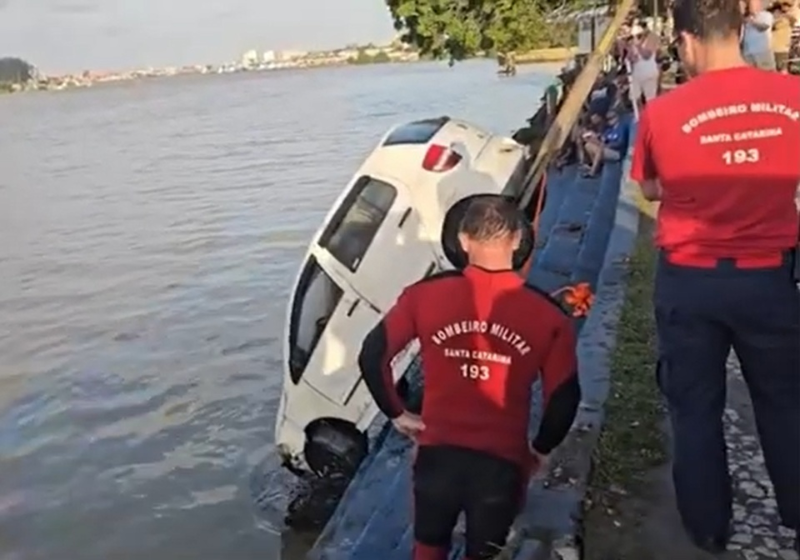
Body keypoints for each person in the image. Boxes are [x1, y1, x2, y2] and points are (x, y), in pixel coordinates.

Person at [631, 0, 800, 553]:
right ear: (738, 29)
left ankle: (707, 527)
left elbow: (651, 188)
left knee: (695, 407)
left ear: (684, 39)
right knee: (783, 402)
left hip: (690, 280)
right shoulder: (793, 99)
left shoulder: (661, 112)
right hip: (771, 278)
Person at [358, 196, 581, 560]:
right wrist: (539, 449)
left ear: (462, 241)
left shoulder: (423, 295)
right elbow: (564, 397)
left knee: (427, 549)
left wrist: (398, 414)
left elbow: (372, 356)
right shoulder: (549, 315)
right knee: (485, 553)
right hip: (503, 466)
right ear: (517, 241)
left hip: (436, 461)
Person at [581, 109, 630, 178]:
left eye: (611, 118)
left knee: (600, 149)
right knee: (588, 145)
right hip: (606, 148)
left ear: (617, 117)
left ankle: (593, 172)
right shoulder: (609, 129)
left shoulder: (621, 128)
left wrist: (607, 146)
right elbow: (603, 138)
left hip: (617, 152)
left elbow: (620, 143)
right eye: (608, 119)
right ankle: (596, 165)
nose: (610, 121)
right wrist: (595, 137)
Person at [626, 22, 661, 112]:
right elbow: (631, 58)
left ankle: (651, 116)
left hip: (649, 72)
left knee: (650, 99)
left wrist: (638, 46)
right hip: (637, 73)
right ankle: (640, 115)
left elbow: (647, 55)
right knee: (634, 97)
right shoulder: (633, 41)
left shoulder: (653, 37)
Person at [742, 0, 777, 68]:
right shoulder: (743, 18)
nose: (752, 6)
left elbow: (764, 27)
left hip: (763, 52)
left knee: (767, 76)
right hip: (748, 53)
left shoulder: (766, 15)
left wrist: (752, 22)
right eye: (750, 4)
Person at [771, 0, 797, 72]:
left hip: (782, 48)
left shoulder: (790, 17)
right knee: (774, 71)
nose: (785, 7)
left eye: (788, 5)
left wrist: (785, 14)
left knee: (783, 70)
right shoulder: (774, 16)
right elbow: (771, 25)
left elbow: (793, 20)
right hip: (772, 47)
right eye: (784, 5)